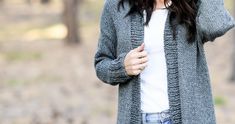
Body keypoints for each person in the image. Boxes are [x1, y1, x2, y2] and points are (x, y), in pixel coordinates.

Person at [94, 0, 235, 124]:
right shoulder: (115, 6)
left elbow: (216, 25)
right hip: (139, 118)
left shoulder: (192, 5)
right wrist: (122, 67)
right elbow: (101, 63)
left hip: (189, 117)